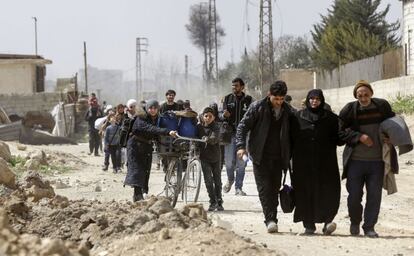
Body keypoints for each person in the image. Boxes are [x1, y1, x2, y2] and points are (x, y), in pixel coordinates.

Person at [236, 80, 295, 233]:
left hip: (279, 157)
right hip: (259, 156)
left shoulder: (288, 111)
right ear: (269, 95)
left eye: (282, 99)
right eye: (276, 99)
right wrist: (241, 146)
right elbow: (242, 127)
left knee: (274, 188)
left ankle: (272, 217)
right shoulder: (257, 107)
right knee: (264, 188)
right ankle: (270, 219)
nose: (279, 102)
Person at [339, 80, 395, 238]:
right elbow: (340, 132)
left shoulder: (382, 107)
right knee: (354, 196)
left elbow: (393, 124)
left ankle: (369, 226)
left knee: (375, 196)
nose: (363, 98)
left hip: (377, 162)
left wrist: (390, 137)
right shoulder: (350, 109)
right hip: (355, 162)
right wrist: (359, 137)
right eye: (359, 95)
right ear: (355, 96)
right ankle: (355, 222)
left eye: (365, 94)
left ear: (371, 93)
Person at [290, 89, 343, 235]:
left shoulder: (331, 118)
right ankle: (309, 224)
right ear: (307, 100)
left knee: (328, 191)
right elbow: (289, 138)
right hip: (303, 163)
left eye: (317, 99)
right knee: (305, 192)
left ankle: (328, 222)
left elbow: (340, 137)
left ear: (322, 100)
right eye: (312, 98)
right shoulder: (297, 117)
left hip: (326, 163)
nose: (314, 101)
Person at [124, 100, 177, 202]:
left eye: (155, 108)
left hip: (146, 146)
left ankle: (142, 193)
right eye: (150, 108)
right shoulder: (141, 118)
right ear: (147, 109)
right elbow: (151, 129)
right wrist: (167, 131)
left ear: (158, 109)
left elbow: (155, 134)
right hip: (135, 146)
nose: (153, 110)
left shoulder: (157, 118)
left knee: (145, 170)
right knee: (137, 170)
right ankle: (137, 195)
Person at [222, 77, 253, 196]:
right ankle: (230, 179)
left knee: (241, 163)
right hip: (230, 134)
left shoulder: (249, 100)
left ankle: (238, 187)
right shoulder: (227, 98)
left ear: (242, 87)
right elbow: (221, 115)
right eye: (233, 85)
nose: (234, 87)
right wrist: (224, 114)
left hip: (244, 135)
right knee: (229, 161)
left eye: (236, 86)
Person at [197, 107, 223, 211]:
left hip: (216, 157)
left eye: (210, 116)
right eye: (206, 116)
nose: (207, 118)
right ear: (203, 117)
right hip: (204, 158)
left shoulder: (216, 127)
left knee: (217, 180)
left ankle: (219, 201)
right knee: (208, 181)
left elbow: (214, 138)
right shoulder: (198, 128)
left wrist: (207, 139)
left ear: (214, 117)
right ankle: (212, 202)